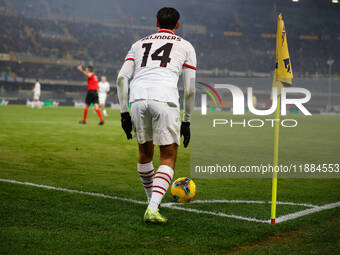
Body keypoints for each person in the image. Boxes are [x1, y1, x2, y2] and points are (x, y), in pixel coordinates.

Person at [116, 7, 196, 224]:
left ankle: (153, 201)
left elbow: (122, 78)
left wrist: (124, 113)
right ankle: (152, 208)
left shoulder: (137, 44)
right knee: (168, 156)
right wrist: (187, 121)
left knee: (145, 154)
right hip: (165, 99)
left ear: (156, 22)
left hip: (138, 98)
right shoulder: (186, 46)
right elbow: (189, 89)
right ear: (177, 24)